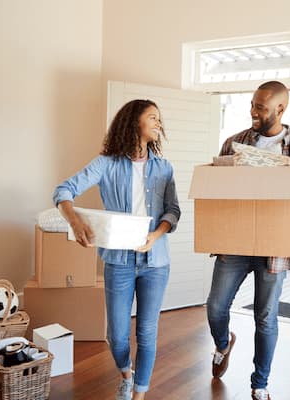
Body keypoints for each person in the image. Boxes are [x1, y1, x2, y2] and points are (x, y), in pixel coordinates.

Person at [206, 81, 290, 400]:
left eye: (261, 107)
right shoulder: (234, 143)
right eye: (252, 105)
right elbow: (216, 189)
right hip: (235, 243)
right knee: (215, 306)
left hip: (275, 248)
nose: (254, 111)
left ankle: (259, 383)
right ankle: (224, 344)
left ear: (280, 109)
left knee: (265, 317)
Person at [53, 99, 180, 400]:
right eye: (153, 117)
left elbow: (173, 210)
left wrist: (156, 235)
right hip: (119, 262)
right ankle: (126, 374)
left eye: (159, 119)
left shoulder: (164, 168)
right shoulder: (106, 164)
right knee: (117, 336)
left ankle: (139, 393)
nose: (159, 123)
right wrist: (75, 221)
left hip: (156, 262)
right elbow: (63, 191)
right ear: (133, 121)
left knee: (147, 332)